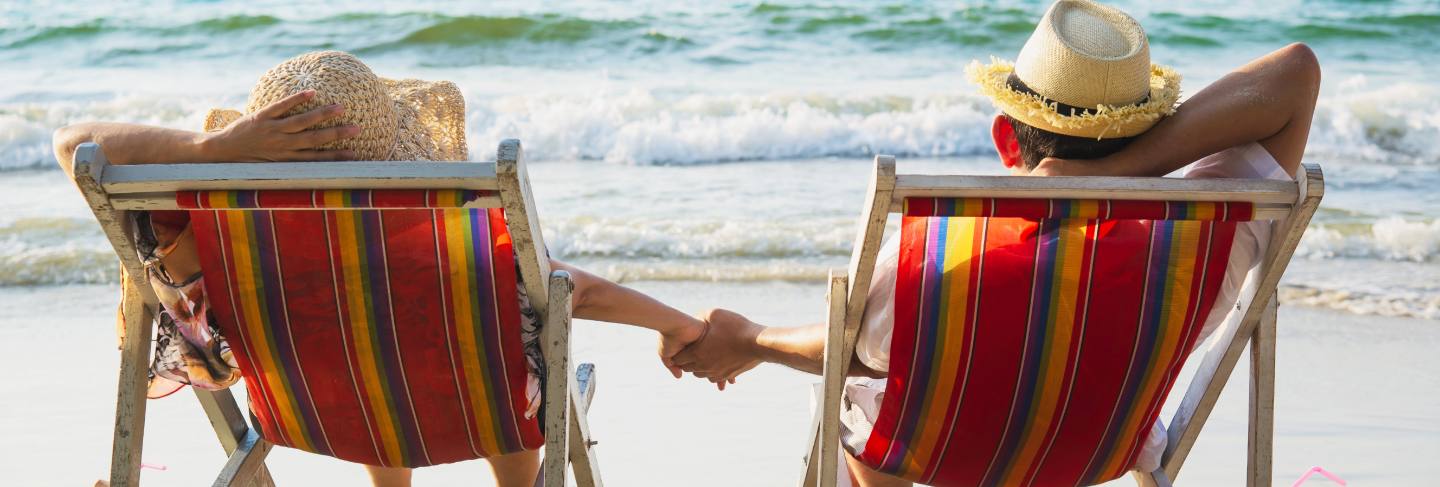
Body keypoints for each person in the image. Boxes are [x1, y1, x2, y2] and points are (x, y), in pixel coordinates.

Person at [671, 1, 1321, 485]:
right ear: (1142, 133)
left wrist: (752, 339)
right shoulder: (1208, 240)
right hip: (1100, 453)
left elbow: (857, 353)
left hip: (939, 453)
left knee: (855, 391)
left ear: (1006, 140)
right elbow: (1295, 72)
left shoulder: (936, 257)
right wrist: (1116, 177)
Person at [54, 51, 706, 487]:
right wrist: (677, 325)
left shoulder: (215, 240)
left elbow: (73, 144)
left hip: (316, 406)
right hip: (464, 400)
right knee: (500, 331)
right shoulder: (441, 238)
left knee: (354, 336)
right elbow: (570, 288)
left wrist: (215, 151)